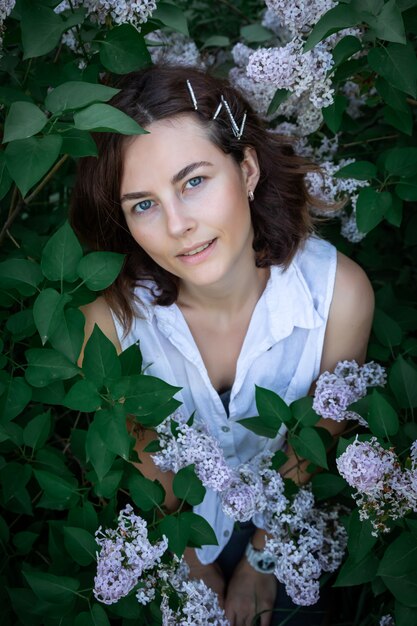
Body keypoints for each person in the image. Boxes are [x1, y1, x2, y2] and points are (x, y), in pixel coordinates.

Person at [71, 65, 374, 626]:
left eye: (194, 181)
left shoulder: (339, 296)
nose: (178, 224)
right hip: (174, 527)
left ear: (248, 169)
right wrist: (189, 559)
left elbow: (320, 434)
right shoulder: (109, 322)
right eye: (143, 204)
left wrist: (262, 557)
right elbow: (139, 450)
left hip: (285, 521)